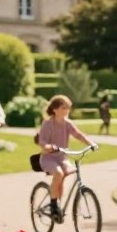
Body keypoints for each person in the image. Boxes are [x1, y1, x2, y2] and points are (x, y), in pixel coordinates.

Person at [36, 94, 94, 223]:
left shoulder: (67, 123)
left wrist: (91, 143)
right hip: (48, 158)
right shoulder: (48, 123)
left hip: (62, 157)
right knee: (59, 173)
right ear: (55, 109)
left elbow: (78, 134)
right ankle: (53, 205)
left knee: (70, 172)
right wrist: (48, 146)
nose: (67, 110)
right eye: (64, 107)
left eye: (68, 108)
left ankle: (59, 204)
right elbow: (42, 141)